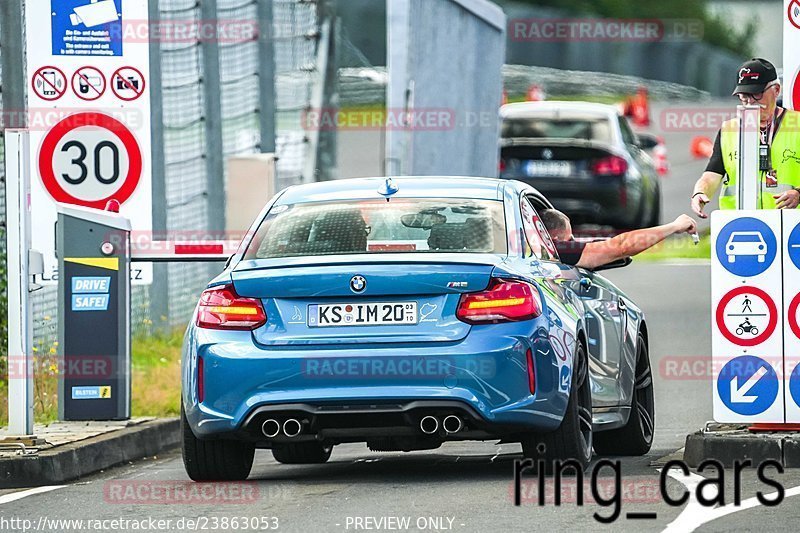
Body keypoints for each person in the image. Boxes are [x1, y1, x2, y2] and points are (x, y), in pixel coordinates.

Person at [690, 58, 800, 216]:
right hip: (743, 224)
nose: (750, 102)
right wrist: (700, 192)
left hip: (791, 226)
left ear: (776, 90)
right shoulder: (729, 130)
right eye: (743, 96)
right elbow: (711, 175)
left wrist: (798, 194)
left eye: (756, 94)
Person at [540, 209, 698, 269]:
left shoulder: (521, 246)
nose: (570, 245)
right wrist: (674, 226)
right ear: (554, 239)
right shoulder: (551, 248)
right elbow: (622, 246)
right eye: (569, 240)